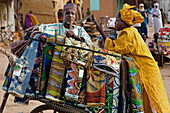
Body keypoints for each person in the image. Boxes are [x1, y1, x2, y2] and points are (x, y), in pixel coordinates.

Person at [105, 3, 170, 113]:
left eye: (117, 21)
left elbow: (114, 49)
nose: (115, 23)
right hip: (147, 68)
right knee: (149, 97)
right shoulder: (130, 31)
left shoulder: (127, 33)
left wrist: (104, 37)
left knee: (153, 97)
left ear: (125, 22)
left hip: (147, 70)